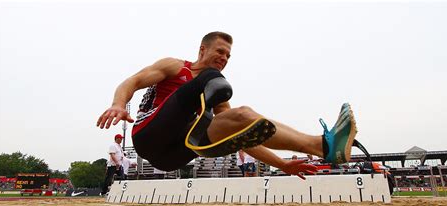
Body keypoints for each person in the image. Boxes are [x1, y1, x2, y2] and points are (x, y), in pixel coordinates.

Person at [96, 31, 358, 180]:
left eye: (228, 56)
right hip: (149, 134)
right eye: (220, 52)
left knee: (242, 117)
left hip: (173, 155)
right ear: (202, 49)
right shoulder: (175, 66)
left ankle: (323, 146)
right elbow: (133, 81)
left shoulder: (216, 92)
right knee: (212, 82)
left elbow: (246, 140)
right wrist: (119, 104)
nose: (224, 58)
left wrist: (282, 164)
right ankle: (319, 144)